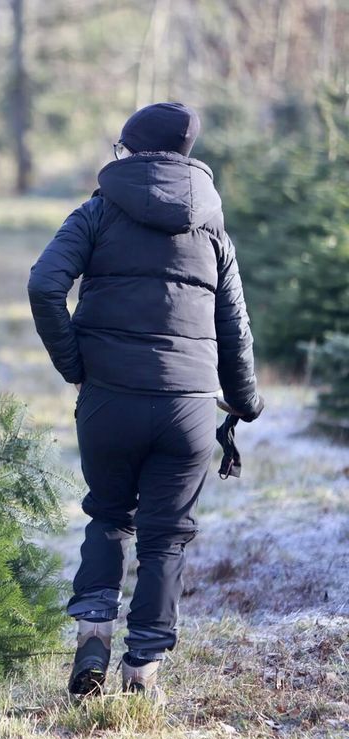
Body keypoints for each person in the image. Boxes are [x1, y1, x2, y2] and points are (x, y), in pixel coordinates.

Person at [27, 102, 264, 699]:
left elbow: (43, 284)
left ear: (129, 150)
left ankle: (93, 636)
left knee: (109, 517)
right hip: (187, 407)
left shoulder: (97, 212)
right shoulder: (213, 229)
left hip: (109, 400)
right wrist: (244, 403)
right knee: (165, 538)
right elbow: (234, 325)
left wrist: (76, 365)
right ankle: (143, 673)